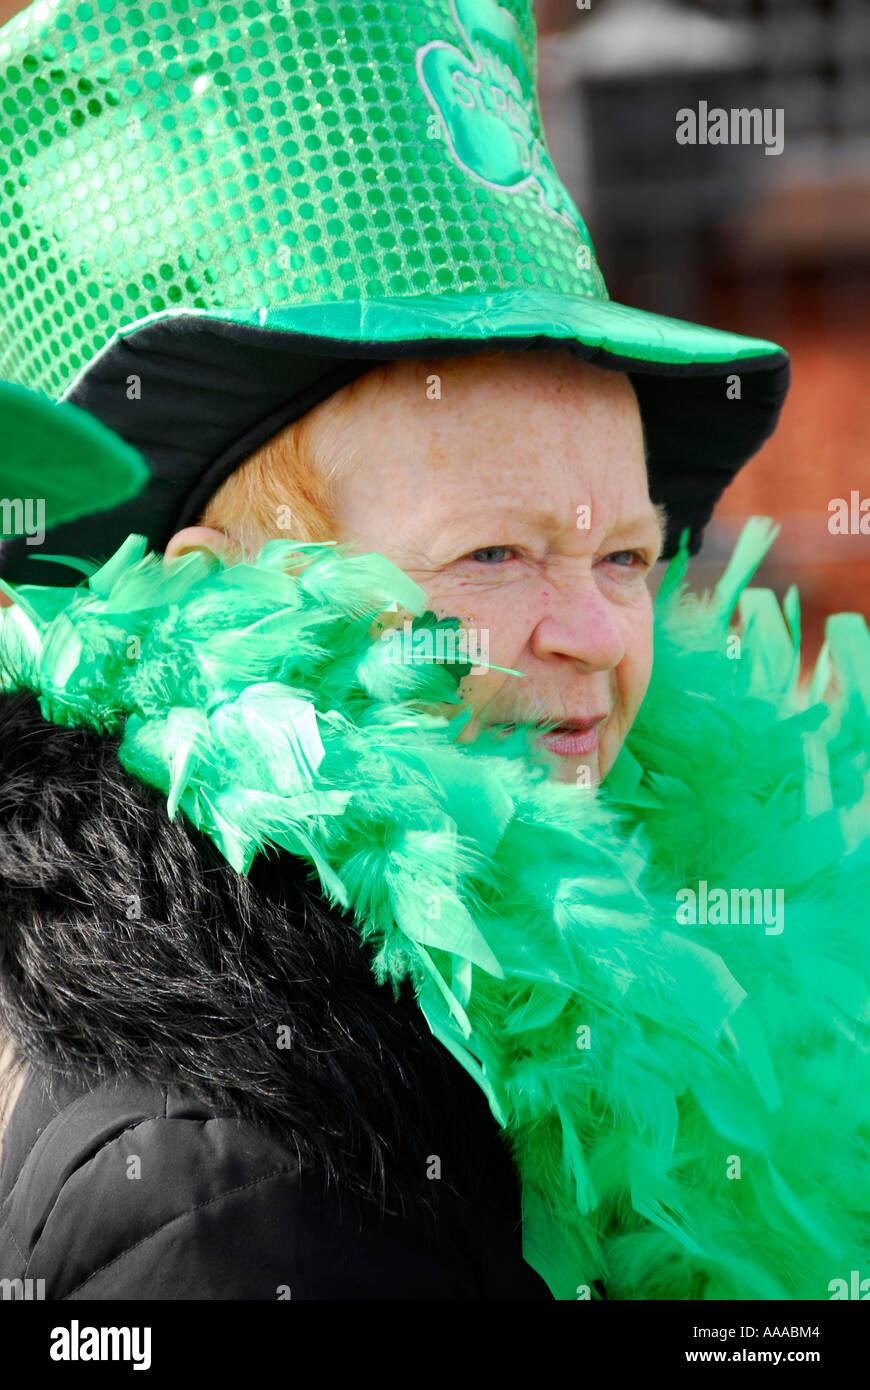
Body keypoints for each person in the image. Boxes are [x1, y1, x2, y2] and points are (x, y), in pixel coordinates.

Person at [0, 0, 867, 1302]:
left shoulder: (651, 979)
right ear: (224, 597)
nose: (593, 636)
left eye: (625, 557)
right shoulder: (228, 1179)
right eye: (493, 555)